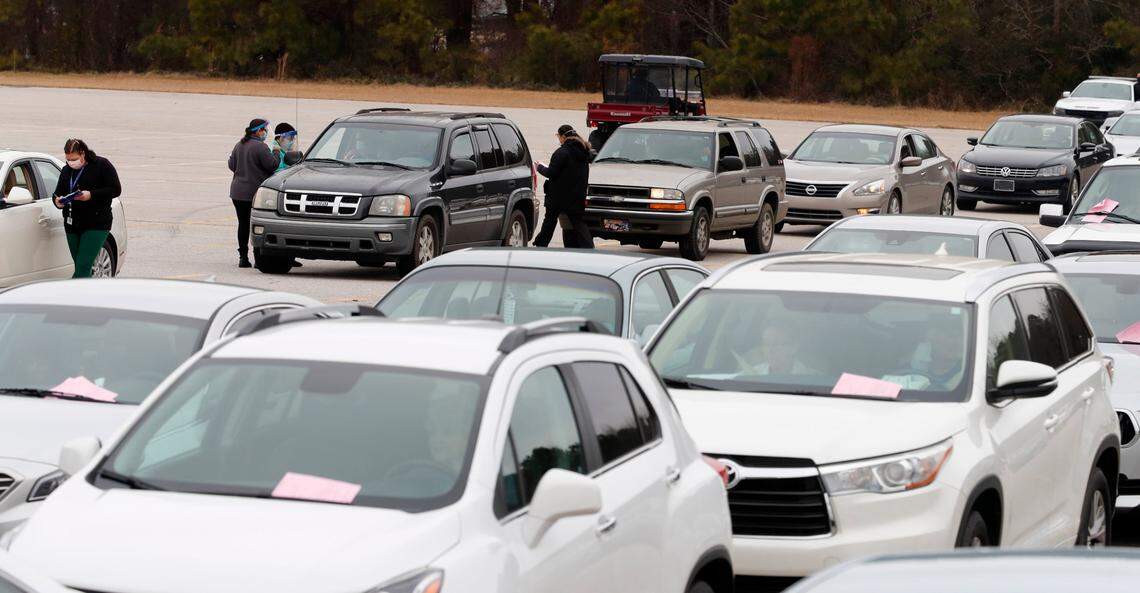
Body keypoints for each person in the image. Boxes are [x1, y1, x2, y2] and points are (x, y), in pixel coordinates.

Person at [51, 139, 121, 278]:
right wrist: (57, 201)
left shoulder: (101, 165)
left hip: (96, 223)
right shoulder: (66, 170)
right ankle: (88, 294)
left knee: (83, 265)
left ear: (83, 153)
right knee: (80, 265)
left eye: (74, 159)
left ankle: (71, 296)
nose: (71, 162)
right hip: (72, 224)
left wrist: (91, 195)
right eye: (68, 159)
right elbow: (58, 192)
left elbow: (115, 189)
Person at [228, 118, 279, 268]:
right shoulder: (261, 147)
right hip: (253, 193)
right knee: (257, 225)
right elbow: (273, 165)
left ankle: (243, 257)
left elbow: (232, 165)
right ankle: (258, 258)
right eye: (265, 130)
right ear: (258, 131)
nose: (266, 133)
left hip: (237, 193)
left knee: (242, 224)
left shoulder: (239, 145)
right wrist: (276, 151)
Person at [534, 125, 593, 249]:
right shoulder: (584, 151)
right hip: (577, 195)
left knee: (549, 221)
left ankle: (541, 244)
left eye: (558, 136)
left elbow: (551, 173)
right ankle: (588, 247)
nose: (559, 139)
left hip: (558, 195)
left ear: (563, 136)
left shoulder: (561, 152)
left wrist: (539, 167)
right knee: (578, 222)